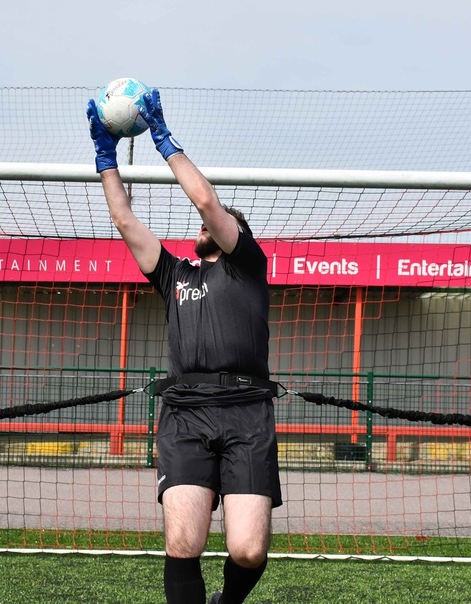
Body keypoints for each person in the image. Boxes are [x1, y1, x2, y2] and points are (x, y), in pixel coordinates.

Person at [88, 89, 281, 604]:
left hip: (247, 413)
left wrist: (163, 140)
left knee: (247, 551)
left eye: (214, 225)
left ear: (236, 233)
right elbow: (126, 223)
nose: (202, 226)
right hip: (185, 414)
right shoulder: (175, 274)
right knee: (183, 541)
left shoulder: (248, 266)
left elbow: (207, 201)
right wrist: (105, 160)